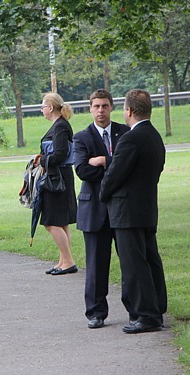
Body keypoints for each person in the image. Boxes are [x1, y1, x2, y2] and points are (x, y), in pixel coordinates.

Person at [99, 89, 168, 334]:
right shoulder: (154, 136)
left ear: (128, 111)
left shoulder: (130, 138)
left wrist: (103, 194)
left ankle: (146, 315)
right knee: (150, 260)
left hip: (127, 211)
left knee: (134, 264)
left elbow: (115, 173)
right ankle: (157, 307)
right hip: (147, 207)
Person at [73, 89, 131, 329]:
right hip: (94, 210)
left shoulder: (125, 133)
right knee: (96, 265)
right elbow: (82, 170)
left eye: (104, 106)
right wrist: (114, 165)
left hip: (123, 208)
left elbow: (129, 166)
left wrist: (104, 161)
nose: (100, 111)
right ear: (89, 109)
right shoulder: (81, 138)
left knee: (129, 262)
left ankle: (135, 310)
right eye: (96, 106)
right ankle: (96, 313)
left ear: (111, 107)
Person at [37, 92, 78, 276]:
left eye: (43, 106)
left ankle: (68, 261)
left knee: (51, 221)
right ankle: (64, 260)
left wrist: (41, 159)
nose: (42, 110)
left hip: (57, 178)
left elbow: (60, 154)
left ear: (51, 108)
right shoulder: (59, 125)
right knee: (61, 223)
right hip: (59, 177)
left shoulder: (60, 127)